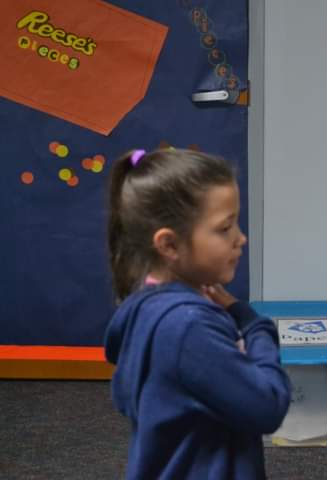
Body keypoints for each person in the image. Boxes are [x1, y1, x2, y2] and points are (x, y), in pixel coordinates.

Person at [104, 148, 291, 479]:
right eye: (225, 228)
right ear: (169, 245)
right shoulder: (187, 327)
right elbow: (268, 406)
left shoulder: (145, 305)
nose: (241, 239)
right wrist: (252, 325)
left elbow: (127, 397)